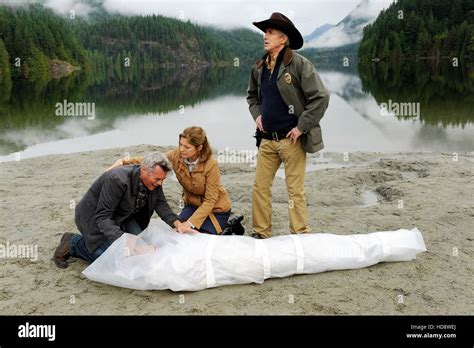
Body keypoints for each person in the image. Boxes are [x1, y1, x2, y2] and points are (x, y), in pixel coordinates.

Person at [247, 12, 330, 239]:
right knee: (260, 189)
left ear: (283, 39)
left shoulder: (300, 64)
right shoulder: (259, 67)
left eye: (270, 32)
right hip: (266, 140)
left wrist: (301, 127)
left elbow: (321, 97)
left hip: (292, 140)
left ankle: (299, 234)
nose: (265, 36)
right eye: (265, 32)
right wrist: (257, 115)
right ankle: (261, 233)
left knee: (295, 192)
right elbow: (252, 97)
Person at [52, 152, 190, 268]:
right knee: (113, 261)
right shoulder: (117, 179)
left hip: (123, 217)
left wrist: (177, 223)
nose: (160, 183)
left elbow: (161, 204)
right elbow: (103, 217)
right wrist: (126, 240)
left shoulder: (155, 181)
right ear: (143, 170)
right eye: (157, 179)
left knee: (141, 253)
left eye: (162, 179)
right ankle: (73, 243)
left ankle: (123, 242)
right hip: (94, 219)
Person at [108, 126, 242, 235]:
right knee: (178, 232)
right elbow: (154, 161)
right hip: (192, 205)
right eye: (181, 144)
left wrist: (190, 223)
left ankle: (230, 229)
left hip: (216, 209)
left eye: (187, 147)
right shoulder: (177, 154)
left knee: (200, 238)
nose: (182, 149)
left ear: (199, 148)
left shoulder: (211, 165)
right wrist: (125, 161)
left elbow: (210, 200)